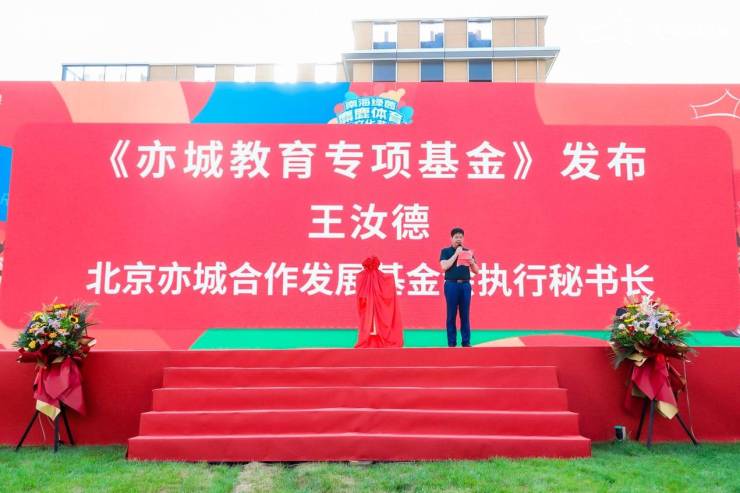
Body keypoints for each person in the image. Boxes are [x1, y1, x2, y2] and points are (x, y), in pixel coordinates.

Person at [439, 227, 479, 347]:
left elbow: (476, 271)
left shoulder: (468, 252)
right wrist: (456, 254)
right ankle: (452, 343)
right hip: (451, 285)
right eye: (456, 237)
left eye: (461, 237)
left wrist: (472, 262)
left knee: (465, 314)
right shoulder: (445, 251)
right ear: (451, 238)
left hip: (465, 286)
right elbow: (444, 267)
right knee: (451, 314)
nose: (458, 239)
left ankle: (466, 342)